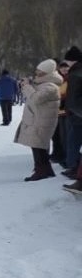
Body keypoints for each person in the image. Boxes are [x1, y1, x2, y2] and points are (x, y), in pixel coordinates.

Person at [13, 59, 62, 181]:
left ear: (45, 72)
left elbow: (36, 98)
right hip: (38, 119)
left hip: (42, 121)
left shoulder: (51, 87)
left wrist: (27, 86)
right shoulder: (43, 84)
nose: (36, 72)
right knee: (37, 146)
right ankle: (45, 170)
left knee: (38, 146)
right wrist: (27, 85)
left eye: (39, 70)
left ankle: (41, 171)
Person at [61, 45, 82, 192]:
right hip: (75, 113)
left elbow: (74, 99)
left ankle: (77, 174)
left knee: (73, 145)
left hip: (76, 115)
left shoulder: (75, 74)